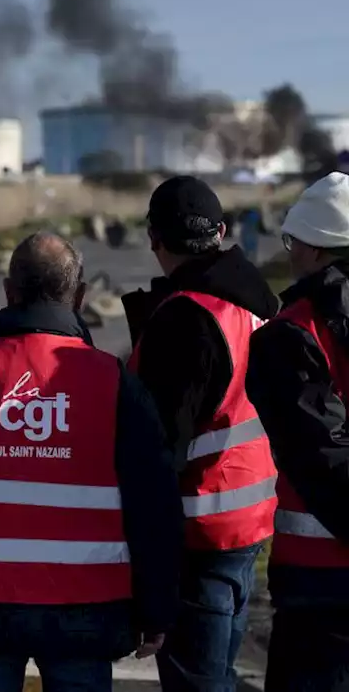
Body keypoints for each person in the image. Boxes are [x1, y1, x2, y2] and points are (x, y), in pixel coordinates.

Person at [0, 232, 182, 692]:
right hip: (88, 606)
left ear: (8, 292)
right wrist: (157, 608)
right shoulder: (114, 383)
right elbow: (155, 505)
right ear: (81, 296)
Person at [120, 176, 278, 692]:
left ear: (153, 239)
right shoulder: (258, 302)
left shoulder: (185, 320)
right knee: (221, 674)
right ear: (222, 232)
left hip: (200, 532)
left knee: (199, 683)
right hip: (250, 519)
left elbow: (158, 449)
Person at [246, 171, 349, 690]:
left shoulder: (296, 332)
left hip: (321, 578)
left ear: (314, 248)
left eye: (293, 241)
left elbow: (322, 456)